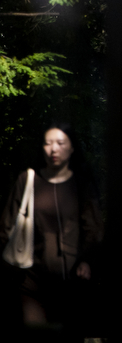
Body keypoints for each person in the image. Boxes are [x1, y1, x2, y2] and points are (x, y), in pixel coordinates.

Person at [1, 123, 103, 329]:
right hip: (30, 281)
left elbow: (94, 229)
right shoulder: (28, 180)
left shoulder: (81, 185)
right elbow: (6, 227)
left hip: (72, 284)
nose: (53, 149)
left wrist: (87, 261)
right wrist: (12, 268)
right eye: (47, 143)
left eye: (60, 143)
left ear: (72, 148)